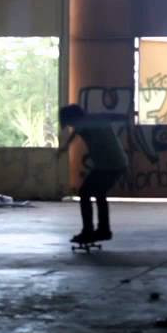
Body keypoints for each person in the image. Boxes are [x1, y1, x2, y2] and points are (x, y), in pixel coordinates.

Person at [56, 104, 128, 244]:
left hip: (109, 165)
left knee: (84, 193)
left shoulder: (83, 123)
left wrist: (65, 146)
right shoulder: (93, 118)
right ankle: (103, 230)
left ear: (74, 118)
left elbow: (77, 130)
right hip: (115, 163)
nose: (70, 125)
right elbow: (77, 132)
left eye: (70, 122)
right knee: (99, 193)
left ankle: (89, 231)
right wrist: (66, 146)